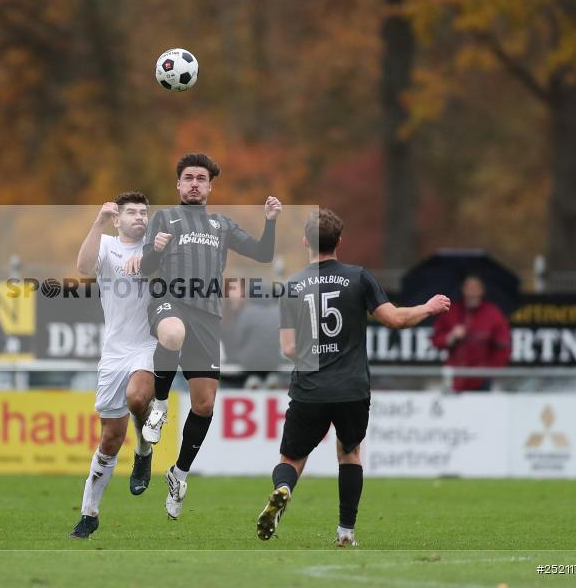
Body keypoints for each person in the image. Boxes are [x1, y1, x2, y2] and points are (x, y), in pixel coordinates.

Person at [256, 209, 449, 546]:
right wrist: (428, 307)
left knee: (292, 459)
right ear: (339, 242)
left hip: (310, 388)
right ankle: (346, 532)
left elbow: (288, 347)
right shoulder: (359, 277)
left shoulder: (292, 286)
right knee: (349, 453)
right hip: (351, 388)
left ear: (305, 241)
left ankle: (284, 488)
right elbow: (394, 319)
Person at [133, 152, 282, 520]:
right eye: (189, 178)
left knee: (204, 405)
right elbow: (146, 269)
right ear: (179, 185)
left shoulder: (221, 224)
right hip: (169, 302)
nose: (195, 183)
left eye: (201, 178)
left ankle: (178, 474)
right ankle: (160, 407)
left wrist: (271, 221)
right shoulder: (164, 218)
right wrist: (156, 250)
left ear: (210, 186)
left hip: (206, 316)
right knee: (171, 334)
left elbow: (263, 254)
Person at [68, 192, 158, 539]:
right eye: (131, 212)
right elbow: (83, 268)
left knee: (138, 398)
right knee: (109, 438)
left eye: (143, 212)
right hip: (114, 352)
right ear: (118, 220)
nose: (139, 217)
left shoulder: (155, 246)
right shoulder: (105, 244)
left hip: (147, 345)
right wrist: (98, 220)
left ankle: (144, 450)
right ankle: (89, 514)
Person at [431, 275, 512, 392]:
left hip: (482, 380)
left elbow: (504, 346)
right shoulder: (450, 310)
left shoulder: (493, 313)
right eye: (469, 287)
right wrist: (451, 337)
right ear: (463, 289)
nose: (472, 291)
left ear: (482, 290)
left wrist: (490, 371)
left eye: (475, 287)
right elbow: (436, 340)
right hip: (455, 378)